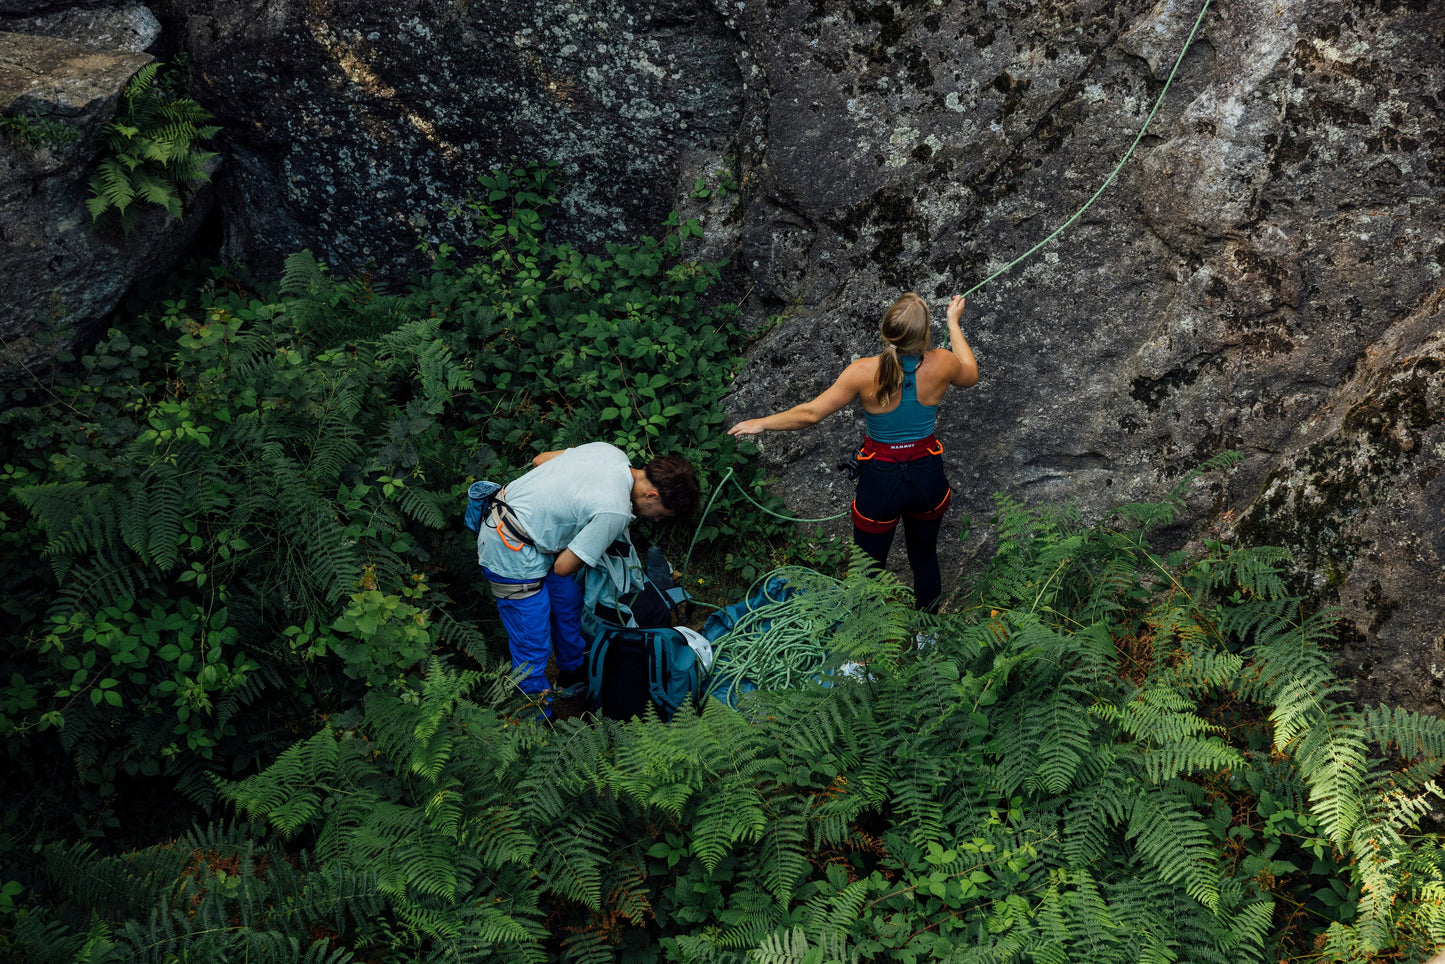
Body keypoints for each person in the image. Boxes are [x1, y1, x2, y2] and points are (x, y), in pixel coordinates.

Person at [728, 293, 978, 611]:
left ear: (887, 331)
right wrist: (953, 323)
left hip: (881, 482)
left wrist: (761, 423)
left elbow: (810, 414)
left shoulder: (863, 372)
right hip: (927, 476)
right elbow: (971, 373)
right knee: (925, 558)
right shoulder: (943, 362)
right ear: (925, 333)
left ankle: (861, 659)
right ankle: (927, 641)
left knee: (867, 571)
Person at [477, 442, 700, 712]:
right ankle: (534, 719)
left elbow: (540, 459)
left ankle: (571, 673)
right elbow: (563, 567)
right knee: (532, 643)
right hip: (510, 550)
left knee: (568, 601)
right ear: (652, 494)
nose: (655, 520)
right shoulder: (614, 511)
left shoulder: (610, 453)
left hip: (517, 521)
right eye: (661, 515)